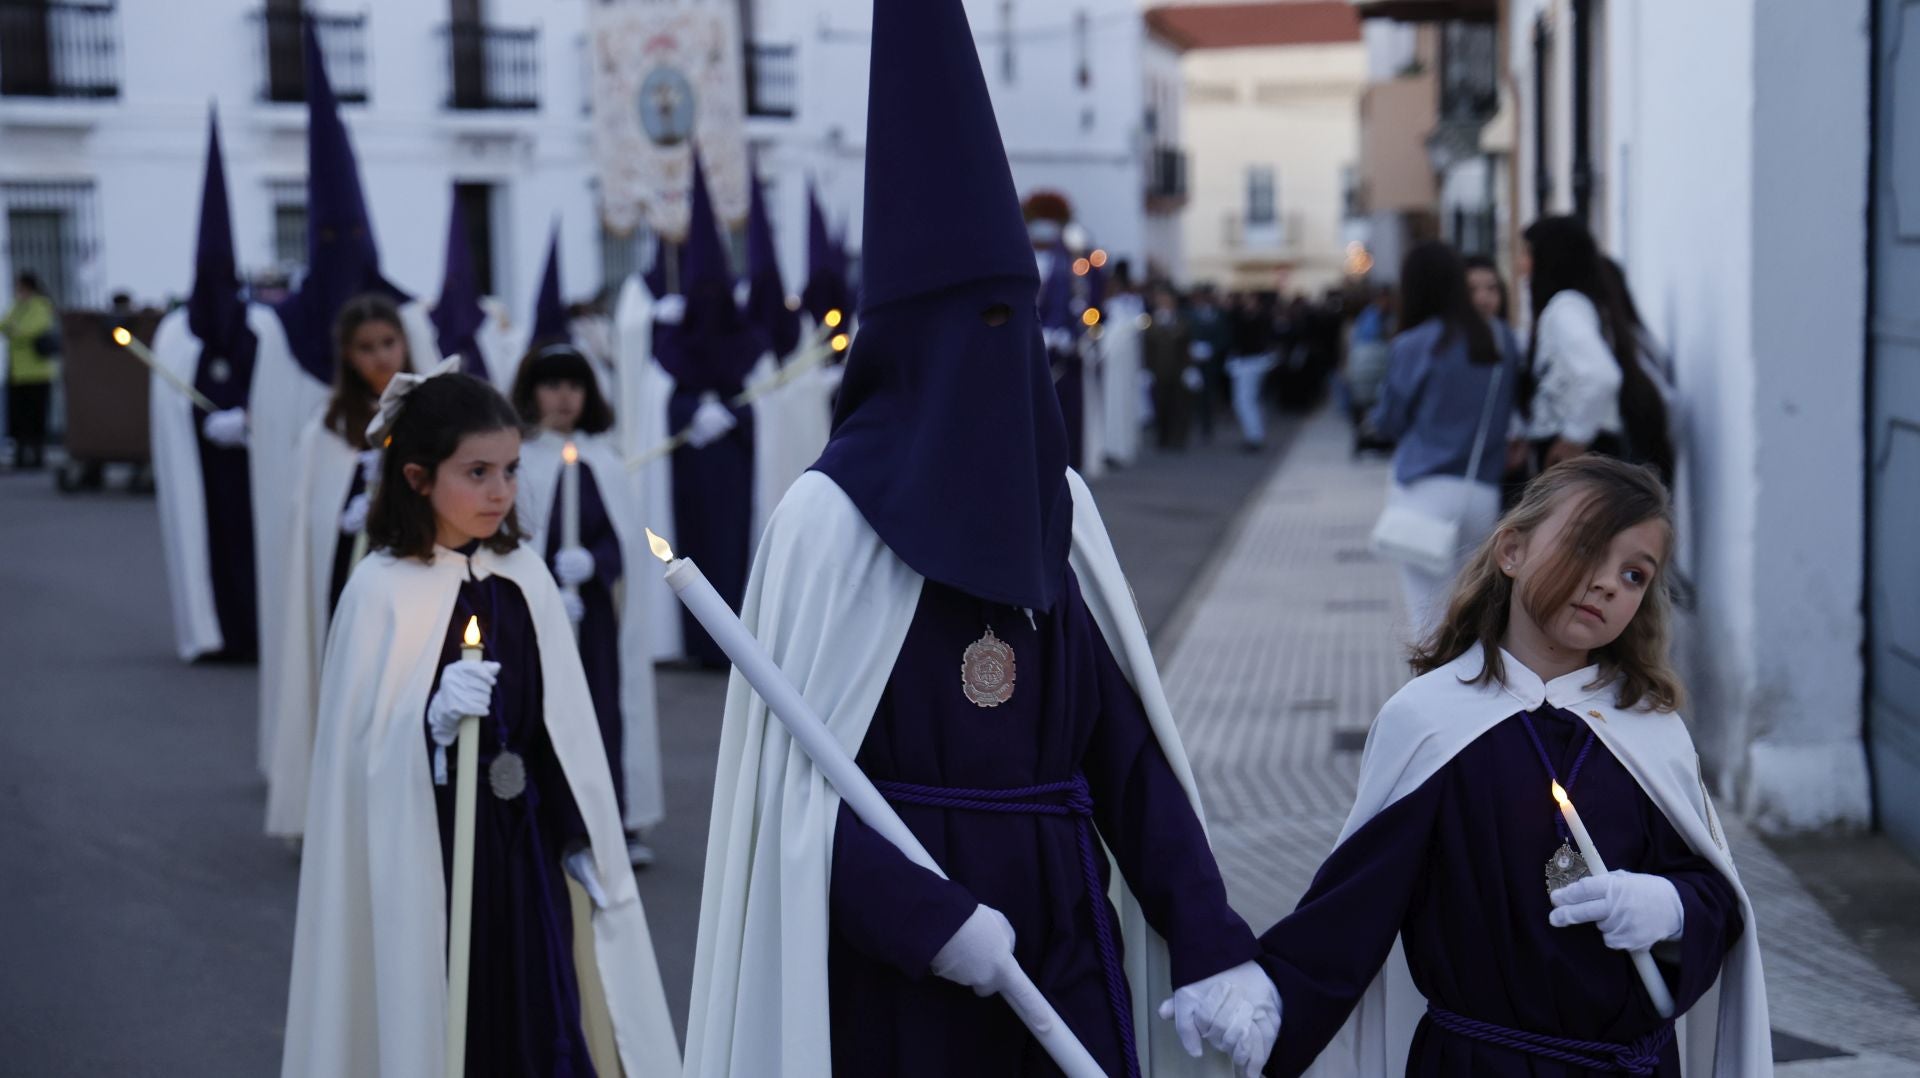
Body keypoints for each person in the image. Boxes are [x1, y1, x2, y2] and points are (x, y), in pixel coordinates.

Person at [684, 0, 1274, 1073]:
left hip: (1062, 936)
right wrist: (924, 917)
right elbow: (792, 793)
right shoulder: (827, 526)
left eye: (1017, 319)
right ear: (909, 346)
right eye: (977, 326)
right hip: (903, 981)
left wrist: (1210, 936)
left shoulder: (1058, 505)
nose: (1004, 361)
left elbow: (1123, 754)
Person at [1203, 457, 1769, 1076]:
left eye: (1634, 574)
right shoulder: (1431, 720)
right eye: (1585, 547)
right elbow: (1357, 902)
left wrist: (1673, 905)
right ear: (1512, 551)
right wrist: (1271, 993)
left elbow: (1714, 893)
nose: (1609, 583)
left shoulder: (1650, 731)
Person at [280, 368, 679, 1078]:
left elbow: (559, 732)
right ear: (417, 477)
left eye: (510, 470)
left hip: (523, 846)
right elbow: (359, 758)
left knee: (538, 1012)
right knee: (449, 1015)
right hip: (432, 855)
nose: (501, 491)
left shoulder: (525, 575)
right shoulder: (380, 591)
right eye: (477, 472)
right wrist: (426, 730)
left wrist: (577, 831)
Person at [261, 294, 416, 838]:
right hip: (349, 586)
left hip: (414, 586)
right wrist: (347, 516)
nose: (380, 358)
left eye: (388, 344)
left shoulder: (431, 413)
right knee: (351, 697)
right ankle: (342, 813)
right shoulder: (328, 429)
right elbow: (310, 517)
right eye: (366, 349)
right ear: (347, 357)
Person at [510, 342, 665, 867]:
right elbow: (515, 539)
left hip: (596, 617)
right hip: (542, 615)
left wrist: (596, 564)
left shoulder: (606, 461)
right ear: (531, 392)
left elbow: (623, 542)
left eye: (574, 385)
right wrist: (547, 584)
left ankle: (613, 819)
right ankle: (556, 818)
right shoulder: (520, 461)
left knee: (604, 710)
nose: (563, 397)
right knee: (548, 709)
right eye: (551, 385)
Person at [1368, 242, 1521, 639]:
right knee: (1473, 611)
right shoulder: (1502, 339)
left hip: (1424, 489)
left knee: (1426, 618)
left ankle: (1433, 697)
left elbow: (1388, 421)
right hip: (1482, 490)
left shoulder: (1415, 343)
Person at [1520, 217, 1676, 485]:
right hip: (1594, 447)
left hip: (1580, 450)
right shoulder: (1589, 305)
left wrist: (1574, 436)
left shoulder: (1564, 308)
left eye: (1527, 253)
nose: (1521, 264)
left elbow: (1601, 374)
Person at [1, 271, 58, 470]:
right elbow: (4, 324)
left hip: (37, 372)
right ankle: (20, 454)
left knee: (36, 416)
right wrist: (14, 329)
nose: (19, 292)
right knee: (18, 417)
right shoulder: (17, 307)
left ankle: (36, 455)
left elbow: (33, 329)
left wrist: (14, 331)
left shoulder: (41, 305)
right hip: (17, 372)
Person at [1143, 285, 1194, 450]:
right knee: (1161, 405)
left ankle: (1178, 438)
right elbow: (1147, 347)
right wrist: (1147, 369)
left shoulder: (1180, 321)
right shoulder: (1152, 322)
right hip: (1159, 370)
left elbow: (1186, 346)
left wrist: (1189, 368)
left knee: (1178, 406)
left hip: (1177, 370)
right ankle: (1163, 438)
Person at [1226, 292, 1275, 451]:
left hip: (1253, 362)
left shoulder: (1261, 319)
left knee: (1245, 400)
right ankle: (1254, 433)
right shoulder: (1240, 317)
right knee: (1248, 400)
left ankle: (1254, 435)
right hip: (1244, 361)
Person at [1464, 254, 1510, 322]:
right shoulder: (1447, 331)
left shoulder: (1505, 331)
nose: (1482, 298)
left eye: (1491, 288)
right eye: (1472, 289)